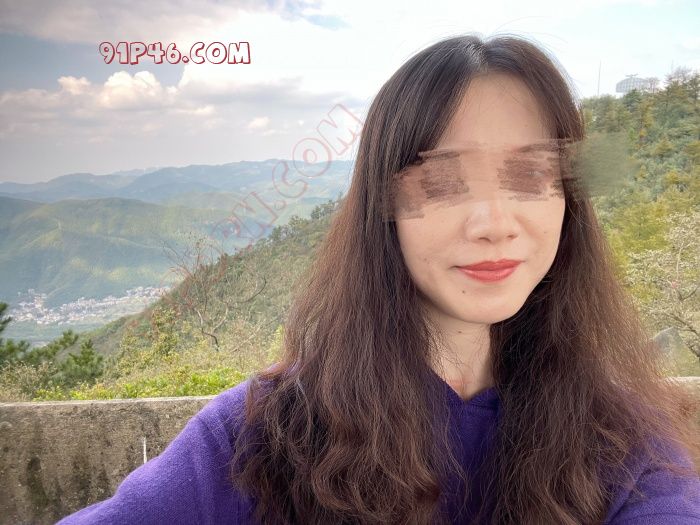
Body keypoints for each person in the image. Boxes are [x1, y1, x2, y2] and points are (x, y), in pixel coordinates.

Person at [56, 34, 699, 525]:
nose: (495, 224)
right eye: (441, 182)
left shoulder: (624, 443)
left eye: (531, 176)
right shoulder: (267, 434)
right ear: (383, 207)